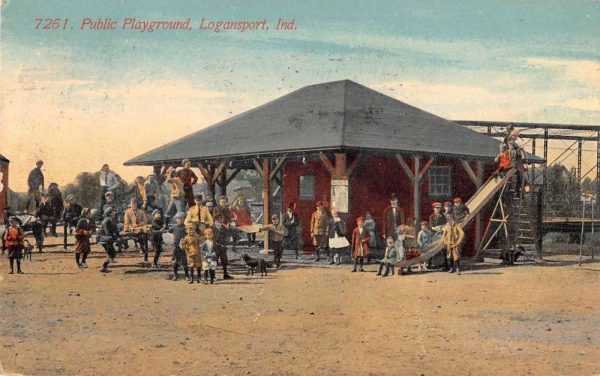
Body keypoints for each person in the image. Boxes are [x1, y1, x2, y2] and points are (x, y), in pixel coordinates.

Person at [211, 215, 233, 280]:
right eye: (220, 218)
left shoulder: (224, 227)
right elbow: (210, 238)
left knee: (224, 261)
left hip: (223, 247)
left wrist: (225, 244)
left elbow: (227, 236)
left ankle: (225, 275)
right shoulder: (211, 227)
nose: (222, 219)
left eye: (222, 218)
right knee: (214, 261)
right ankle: (213, 276)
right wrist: (216, 244)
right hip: (215, 247)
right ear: (216, 219)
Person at [98, 207, 119, 273]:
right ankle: (104, 267)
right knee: (111, 253)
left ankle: (104, 267)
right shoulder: (106, 221)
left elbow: (115, 230)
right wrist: (115, 237)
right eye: (113, 211)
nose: (114, 212)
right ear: (109, 213)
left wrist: (117, 235)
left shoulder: (112, 220)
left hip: (108, 238)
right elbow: (107, 233)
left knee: (112, 253)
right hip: (103, 238)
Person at [169, 212, 189, 281]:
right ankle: (175, 275)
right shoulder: (174, 227)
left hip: (183, 247)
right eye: (178, 219)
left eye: (181, 219)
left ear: (184, 219)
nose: (179, 220)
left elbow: (188, 235)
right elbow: (169, 231)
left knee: (184, 262)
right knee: (175, 262)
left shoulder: (185, 227)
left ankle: (187, 276)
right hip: (175, 246)